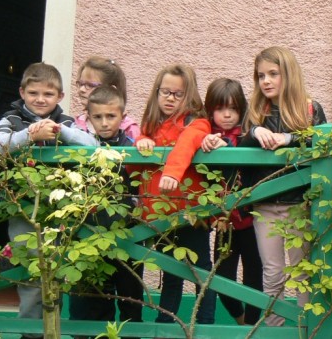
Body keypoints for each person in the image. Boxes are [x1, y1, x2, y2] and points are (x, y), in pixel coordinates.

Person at [0, 62, 98, 338]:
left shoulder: (66, 123)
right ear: (22, 92)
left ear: (60, 97)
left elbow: (93, 146)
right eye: (33, 93)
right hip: (23, 209)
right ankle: (30, 333)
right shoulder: (11, 119)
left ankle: (50, 332)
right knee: (31, 272)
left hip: (59, 213)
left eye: (48, 94)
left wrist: (60, 132)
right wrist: (29, 135)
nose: (40, 99)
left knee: (56, 273)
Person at [238, 46, 327, 326]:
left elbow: (323, 143)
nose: (265, 80)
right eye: (260, 75)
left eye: (273, 74)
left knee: (302, 272)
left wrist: (288, 139)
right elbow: (240, 144)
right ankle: (273, 329)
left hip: (300, 204)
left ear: (288, 74)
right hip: (265, 204)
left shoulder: (310, 109)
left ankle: (305, 328)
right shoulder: (256, 111)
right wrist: (255, 131)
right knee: (273, 272)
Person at [134, 64, 216, 325]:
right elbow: (135, 165)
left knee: (202, 272)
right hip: (159, 216)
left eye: (177, 94)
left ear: (189, 96)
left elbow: (187, 142)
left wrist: (172, 171)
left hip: (189, 214)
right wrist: (141, 141)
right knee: (170, 273)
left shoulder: (197, 122)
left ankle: (205, 326)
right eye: (165, 91)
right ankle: (164, 325)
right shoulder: (151, 126)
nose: (170, 98)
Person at [67, 86, 144, 338]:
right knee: (88, 298)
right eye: (97, 117)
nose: (104, 123)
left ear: (123, 116)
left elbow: (142, 184)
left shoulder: (133, 146)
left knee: (130, 299)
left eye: (110, 116)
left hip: (128, 236)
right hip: (87, 235)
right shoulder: (81, 145)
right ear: (88, 117)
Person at [200, 78, 263, 325]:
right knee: (222, 279)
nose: (227, 115)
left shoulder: (249, 134)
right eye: (220, 108)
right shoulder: (205, 136)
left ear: (242, 109)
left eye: (233, 109)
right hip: (224, 222)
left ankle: (252, 328)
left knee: (254, 278)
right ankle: (241, 319)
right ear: (210, 109)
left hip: (250, 219)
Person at [73, 56, 140, 139]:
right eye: (81, 83)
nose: (81, 89)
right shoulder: (77, 125)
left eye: (90, 85)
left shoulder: (129, 129)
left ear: (111, 90)